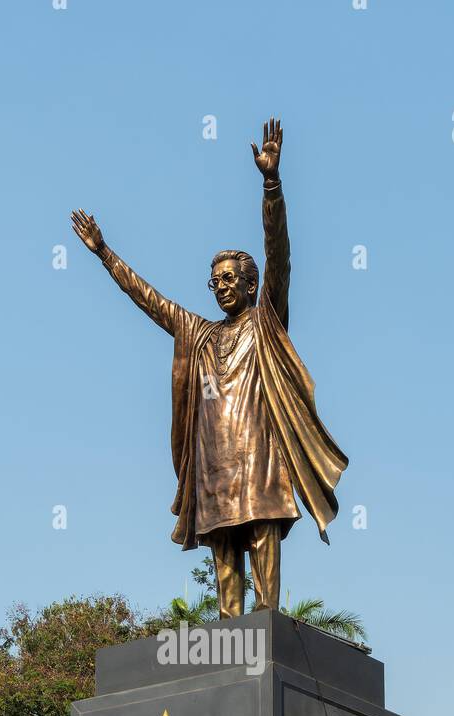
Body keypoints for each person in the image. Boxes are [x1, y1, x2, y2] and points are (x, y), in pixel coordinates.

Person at [71, 118, 347, 617]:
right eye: (213, 280)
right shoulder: (200, 334)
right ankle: (229, 624)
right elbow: (148, 299)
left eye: (227, 279)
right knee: (223, 546)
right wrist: (104, 253)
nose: (218, 286)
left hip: (260, 452)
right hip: (215, 457)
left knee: (262, 532)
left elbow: (279, 255)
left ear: (248, 285)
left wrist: (271, 185)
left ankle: (266, 616)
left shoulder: (266, 321)